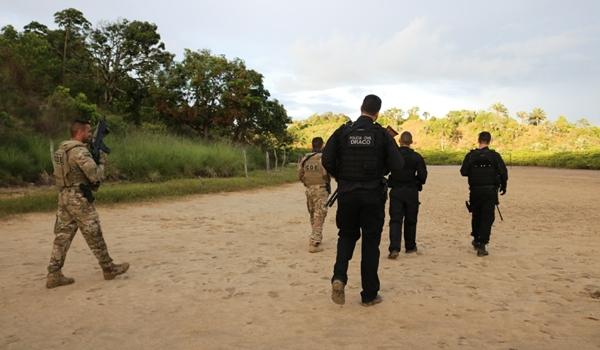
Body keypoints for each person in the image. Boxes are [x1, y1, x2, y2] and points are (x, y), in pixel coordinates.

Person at [322, 94, 404, 306]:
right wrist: (381, 170)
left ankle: (339, 277)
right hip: (372, 196)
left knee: (346, 236)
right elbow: (398, 164)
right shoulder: (381, 134)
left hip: (347, 194)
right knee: (370, 244)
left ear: (361, 108)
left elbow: (327, 159)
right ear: (377, 112)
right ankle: (369, 295)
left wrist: (341, 177)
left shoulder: (343, 131)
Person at [47, 119, 129, 288]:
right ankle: (108, 268)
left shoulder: (61, 150)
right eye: (88, 132)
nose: (90, 135)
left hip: (64, 195)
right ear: (80, 132)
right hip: (78, 197)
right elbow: (95, 176)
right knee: (94, 232)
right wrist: (101, 162)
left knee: (62, 236)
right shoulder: (79, 152)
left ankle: (54, 273)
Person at [460, 131, 508, 257]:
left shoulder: (471, 155)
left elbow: (463, 172)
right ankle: (482, 243)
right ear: (489, 141)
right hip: (490, 191)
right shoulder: (494, 156)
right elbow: (503, 172)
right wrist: (504, 186)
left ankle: (476, 239)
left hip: (475, 190)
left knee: (476, 215)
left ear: (478, 140)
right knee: (487, 217)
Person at [387, 131, 427, 258]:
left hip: (396, 190)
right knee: (411, 220)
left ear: (400, 141)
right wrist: (416, 182)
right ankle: (410, 246)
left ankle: (394, 248)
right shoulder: (417, 157)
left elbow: (385, 170)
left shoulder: (394, 155)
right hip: (411, 191)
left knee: (395, 220)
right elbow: (423, 176)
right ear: (411, 142)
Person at [298, 137, 331, 253]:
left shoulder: (305, 159)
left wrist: (308, 184)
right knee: (320, 214)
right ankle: (315, 241)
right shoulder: (324, 159)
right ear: (322, 145)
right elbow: (329, 173)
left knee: (313, 213)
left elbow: (300, 175)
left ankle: (315, 235)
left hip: (309, 189)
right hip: (321, 189)